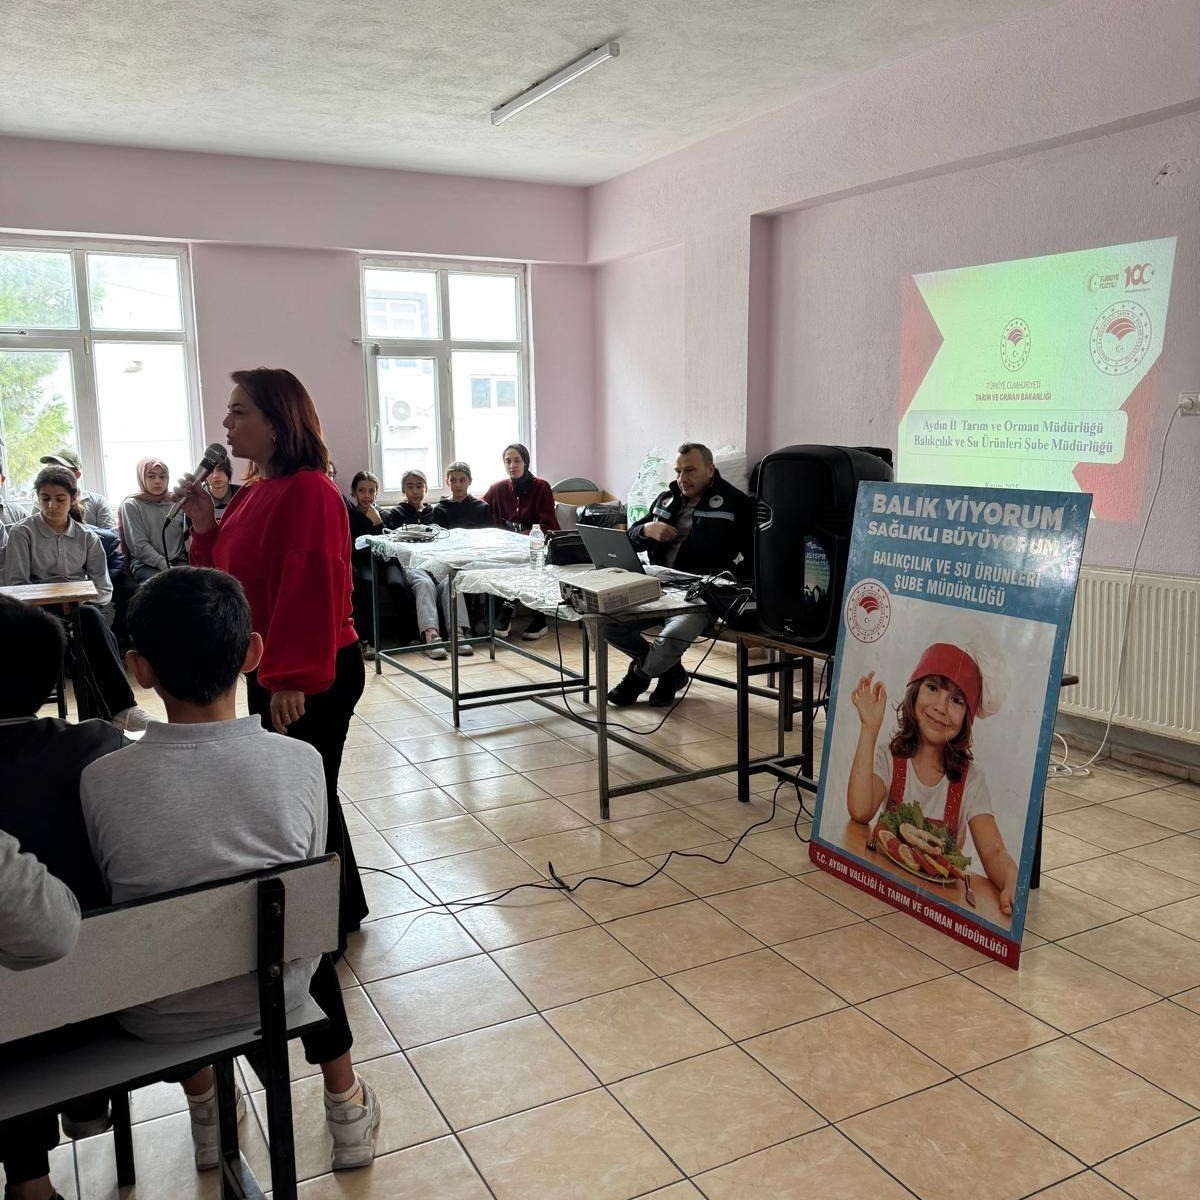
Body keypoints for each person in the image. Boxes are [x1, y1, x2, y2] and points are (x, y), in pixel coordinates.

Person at [80, 567, 381, 1172]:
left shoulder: (100, 779)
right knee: (283, 915)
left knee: (170, 922)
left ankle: (207, 1111)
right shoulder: (302, 762)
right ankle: (346, 1108)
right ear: (253, 654)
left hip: (156, 1011)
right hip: (282, 990)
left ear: (139, 669)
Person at [177, 367, 369, 945]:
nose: (227, 425)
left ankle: (323, 928)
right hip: (274, 664)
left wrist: (292, 680)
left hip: (310, 669)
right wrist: (206, 525)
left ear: (277, 424)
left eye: (240, 412)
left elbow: (311, 590)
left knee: (304, 798)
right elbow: (229, 585)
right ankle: (343, 909)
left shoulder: (309, 490)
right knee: (308, 793)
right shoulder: (258, 489)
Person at [0, 595, 126, 1200]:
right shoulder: (99, 748)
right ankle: (88, 1104)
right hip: (115, 1002)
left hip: (18, 1034)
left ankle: (29, 1183)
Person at [846, 640, 1019, 916]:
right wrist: (869, 728)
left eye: (957, 700)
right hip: (881, 897)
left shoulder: (970, 782)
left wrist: (1011, 879)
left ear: (968, 718)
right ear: (914, 692)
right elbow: (859, 809)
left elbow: (993, 852)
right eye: (933, 688)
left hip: (937, 909)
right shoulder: (890, 758)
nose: (941, 707)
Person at [2, 466, 150, 730]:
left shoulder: (87, 537)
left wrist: (77, 599)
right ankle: (120, 709)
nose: (51, 505)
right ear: (37, 498)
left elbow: (104, 590)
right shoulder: (22, 533)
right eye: (45, 498)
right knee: (88, 620)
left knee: (89, 617)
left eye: (59, 499)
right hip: (36, 613)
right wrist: (58, 598)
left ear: (73, 498)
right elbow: (16, 587)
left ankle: (109, 714)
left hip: (80, 609)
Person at [607, 442, 753, 707]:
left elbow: (754, 559)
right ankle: (671, 673)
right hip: (658, 585)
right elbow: (631, 538)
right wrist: (647, 529)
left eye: (690, 471)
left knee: (673, 634)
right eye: (678, 471)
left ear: (710, 470)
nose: (682, 478)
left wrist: (723, 584)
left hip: (701, 593)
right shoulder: (667, 498)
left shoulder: (735, 504)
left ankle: (637, 679)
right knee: (607, 621)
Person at [344, 469, 430, 659]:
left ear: (377, 493)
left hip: (386, 562)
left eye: (371, 491)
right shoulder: (350, 515)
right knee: (367, 583)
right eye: (362, 491)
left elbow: (390, 544)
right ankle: (369, 640)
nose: (367, 496)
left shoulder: (385, 514)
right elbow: (356, 547)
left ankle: (409, 636)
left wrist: (377, 522)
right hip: (365, 562)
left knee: (397, 584)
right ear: (354, 492)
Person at [481, 444, 558, 640]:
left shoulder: (541, 487)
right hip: (504, 547)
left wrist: (521, 537)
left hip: (535, 545)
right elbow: (479, 508)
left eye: (517, 460)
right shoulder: (497, 488)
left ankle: (533, 620)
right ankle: (500, 615)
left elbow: (548, 524)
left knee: (527, 563)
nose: (512, 465)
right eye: (508, 461)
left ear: (526, 462)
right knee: (500, 561)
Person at [118, 458, 188, 583]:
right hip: (146, 564)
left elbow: (187, 538)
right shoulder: (132, 505)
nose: (157, 481)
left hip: (179, 562)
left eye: (163, 476)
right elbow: (138, 546)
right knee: (163, 587)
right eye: (151, 476)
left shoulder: (177, 501)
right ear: (141, 478)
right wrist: (165, 565)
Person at [38, 448, 115, 531]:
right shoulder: (41, 503)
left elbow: (111, 536)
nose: (53, 475)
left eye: (61, 470)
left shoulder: (97, 501)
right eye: (49, 469)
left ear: (77, 475)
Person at [203, 450, 241, 519]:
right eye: (210, 471)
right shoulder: (196, 497)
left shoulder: (242, 493)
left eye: (220, 470)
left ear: (228, 471)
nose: (215, 475)